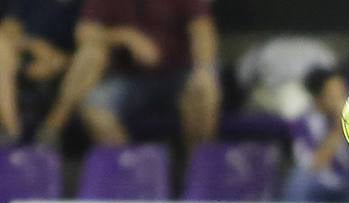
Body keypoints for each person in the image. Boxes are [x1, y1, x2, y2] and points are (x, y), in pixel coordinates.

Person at [38, 0, 220, 149]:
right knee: (93, 106)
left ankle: (198, 170)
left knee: (205, 90)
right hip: (129, 78)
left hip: (178, 75)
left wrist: (204, 70)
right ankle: (131, 168)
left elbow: (202, 29)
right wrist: (125, 36)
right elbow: (84, 33)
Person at [280, 67, 349, 203]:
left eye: (342, 93)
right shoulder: (303, 122)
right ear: (319, 98)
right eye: (333, 95)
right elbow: (312, 165)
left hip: (348, 184)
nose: (341, 100)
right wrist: (339, 128)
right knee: (299, 179)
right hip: (317, 183)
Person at [0, 0, 83, 143]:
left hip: (66, 65)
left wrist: (54, 59)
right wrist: (36, 47)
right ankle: (11, 128)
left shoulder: (84, 7)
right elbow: (9, 29)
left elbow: (87, 46)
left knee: (79, 61)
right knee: (2, 48)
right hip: (22, 58)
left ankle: (49, 129)